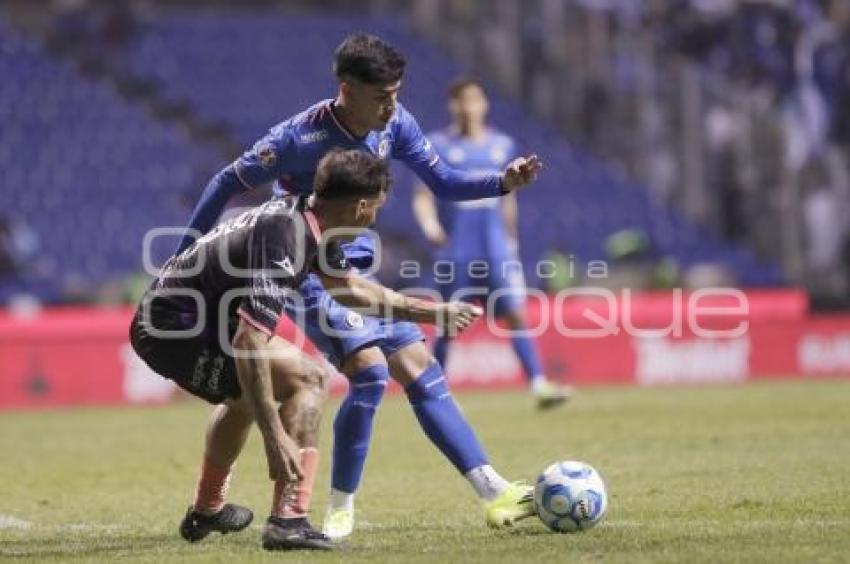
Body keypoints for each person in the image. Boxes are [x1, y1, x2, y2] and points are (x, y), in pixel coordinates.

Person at [175, 34, 543, 542]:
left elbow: (447, 182)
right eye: (382, 95)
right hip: (306, 272)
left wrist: (501, 182)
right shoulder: (296, 139)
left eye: (397, 91)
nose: (393, 104)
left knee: (421, 366)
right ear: (347, 89)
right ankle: (335, 510)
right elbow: (225, 182)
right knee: (369, 372)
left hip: (353, 268)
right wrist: (182, 252)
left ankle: (494, 490)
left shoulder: (398, 123)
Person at [131, 150, 482, 551]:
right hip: (174, 329)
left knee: (246, 397)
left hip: (198, 320)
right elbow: (250, 342)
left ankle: (208, 509)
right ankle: (288, 519)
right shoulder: (287, 238)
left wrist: (429, 312)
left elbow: (348, 288)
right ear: (361, 206)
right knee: (307, 378)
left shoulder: (309, 220)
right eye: (377, 208)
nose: (375, 218)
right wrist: (275, 434)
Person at [412, 78, 571, 409]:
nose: (469, 106)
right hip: (456, 249)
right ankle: (433, 391)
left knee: (514, 313)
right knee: (450, 320)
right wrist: (429, 225)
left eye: (475, 99)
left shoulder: (501, 144)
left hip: (495, 247)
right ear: (452, 106)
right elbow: (422, 195)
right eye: (462, 100)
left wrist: (511, 238)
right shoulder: (436, 145)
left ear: (484, 104)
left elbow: (507, 195)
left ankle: (539, 385)